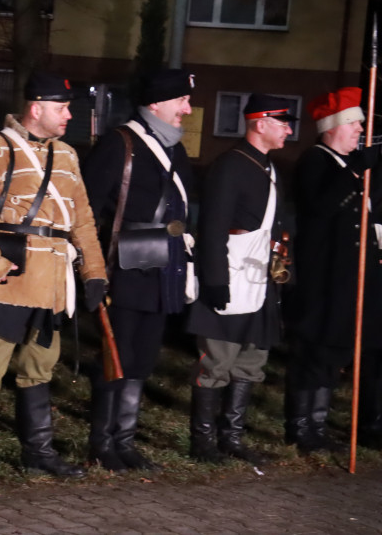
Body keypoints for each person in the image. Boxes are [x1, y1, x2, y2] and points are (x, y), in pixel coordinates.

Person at [0, 71, 106, 484]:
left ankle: (38, 452)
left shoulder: (69, 156)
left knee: (40, 366)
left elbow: (83, 221)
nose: (69, 115)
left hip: (53, 282)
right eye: (62, 108)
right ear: (36, 108)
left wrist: (94, 272)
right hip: (10, 275)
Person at [82, 69, 196, 472]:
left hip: (164, 264)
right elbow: (88, 209)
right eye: (181, 100)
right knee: (117, 352)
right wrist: (91, 269)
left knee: (144, 356)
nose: (187, 108)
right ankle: (101, 442)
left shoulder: (175, 149)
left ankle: (124, 439)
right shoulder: (119, 143)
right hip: (126, 264)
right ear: (156, 104)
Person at [186, 93, 295, 464]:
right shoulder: (230, 165)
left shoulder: (269, 167)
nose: (289, 130)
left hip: (260, 281)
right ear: (260, 123)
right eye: (282, 122)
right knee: (216, 363)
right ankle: (202, 442)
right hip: (230, 278)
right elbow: (213, 225)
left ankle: (231, 437)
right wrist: (214, 279)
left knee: (251, 361)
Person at [286, 87, 382, 452]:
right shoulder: (316, 160)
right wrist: (357, 168)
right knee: (315, 351)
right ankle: (301, 426)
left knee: (334, 353)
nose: (360, 130)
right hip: (323, 277)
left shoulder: (346, 165)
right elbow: (321, 206)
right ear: (334, 127)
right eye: (355, 123)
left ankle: (319, 425)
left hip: (347, 278)